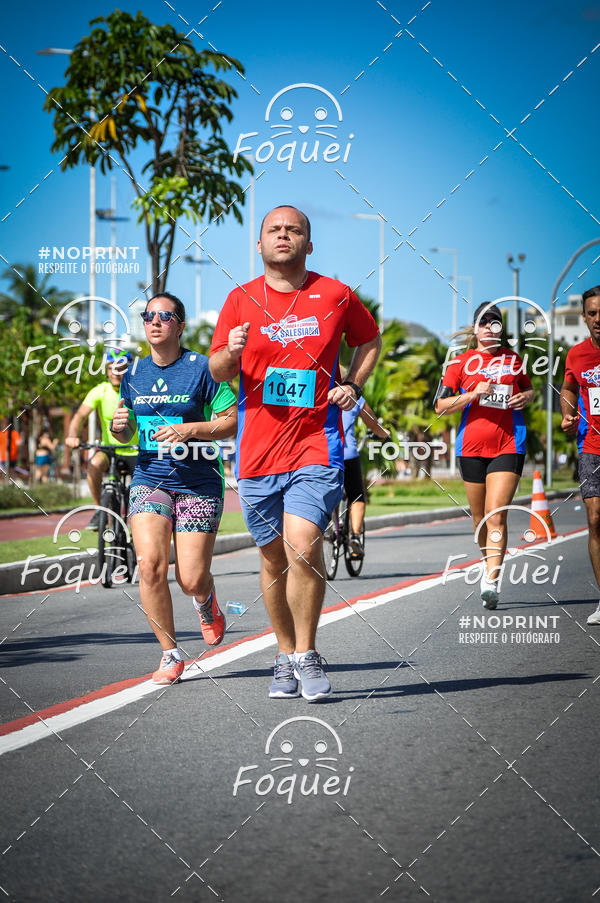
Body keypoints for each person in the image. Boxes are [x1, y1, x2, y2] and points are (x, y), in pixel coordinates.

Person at [209, 205, 381, 701]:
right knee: (272, 560)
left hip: (316, 444)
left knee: (303, 545)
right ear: (259, 244)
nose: (283, 235)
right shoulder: (240, 299)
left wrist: (352, 385)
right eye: (274, 229)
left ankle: (307, 653)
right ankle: (283, 655)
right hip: (257, 451)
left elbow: (369, 340)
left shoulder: (335, 294)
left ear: (309, 243)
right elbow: (218, 371)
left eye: (294, 230)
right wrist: (231, 350)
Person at [111, 292, 237, 684]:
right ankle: (170, 654)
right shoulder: (133, 373)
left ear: (180, 325)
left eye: (164, 316)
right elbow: (127, 430)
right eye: (148, 315)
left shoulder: (203, 369)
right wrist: (120, 428)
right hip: (150, 478)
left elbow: (231, 421)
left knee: (191, 578)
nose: (154, 321)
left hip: (199, 482)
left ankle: (205, 599)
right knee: (149, 564)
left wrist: (190, 429)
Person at [434, 302, 534, 609]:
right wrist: (473, 393)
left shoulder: (513, 360)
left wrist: (525, 397)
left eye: (495, 322)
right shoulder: (459, 363)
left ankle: (491, 580)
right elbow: (440, 407)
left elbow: (529, 390)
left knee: (496, 515)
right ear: (475, 328)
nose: (489, 326)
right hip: (471, 447)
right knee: (479, 520)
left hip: (509, 444)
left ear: (501, 329)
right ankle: (488, 562)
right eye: (483, 322)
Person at [560, 285, 600, 626]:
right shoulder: (577, 355)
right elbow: (569, 388)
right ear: (584, 317)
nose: (598, 319)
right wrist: (567, 414)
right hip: (592, 447)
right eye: (593, 313)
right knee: (595, 518)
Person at [65, 349, 139, 528]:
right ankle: (100, 510)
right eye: (111, 368)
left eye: (120, 368)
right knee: (94, 464)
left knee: (142, 488)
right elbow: (79, 416)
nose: (115, 372)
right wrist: (72, 436)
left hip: (136, 450)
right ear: (107, 370)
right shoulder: (100, 391)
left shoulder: (137, 390)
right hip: (109, 450)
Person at [342, 397, 389, 557]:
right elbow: (373, 424)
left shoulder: (318, 394)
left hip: (321, 455)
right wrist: (383, 434)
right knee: (356, 495)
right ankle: (355, 536)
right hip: (347, 455)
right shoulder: (352, 396)